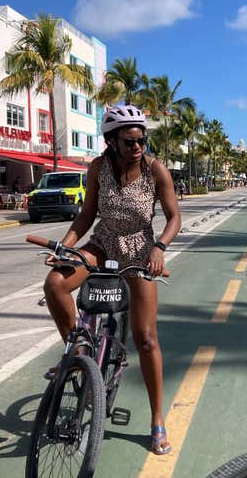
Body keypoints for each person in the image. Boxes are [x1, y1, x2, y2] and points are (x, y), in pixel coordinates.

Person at [42, 104, 181, 455]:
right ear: (111, 141)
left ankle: (157, 419)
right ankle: (80, 352)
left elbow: (174, 217)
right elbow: (87, 214)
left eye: (141, 140)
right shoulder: (98, 167)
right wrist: (67, 247)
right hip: (102, 244)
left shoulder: (156, 170)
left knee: (146, 339)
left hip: (139, 250)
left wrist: (160, 248)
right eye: (129, 141)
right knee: (56, 283)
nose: (137, 147)